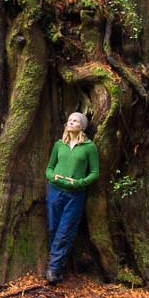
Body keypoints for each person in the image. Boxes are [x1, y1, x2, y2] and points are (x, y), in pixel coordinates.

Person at [44, 110, 99, 284]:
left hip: (75, 194)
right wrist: (52, 177)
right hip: (54, 190)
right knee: (53, 228)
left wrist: (78, 183)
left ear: (82, 126)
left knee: (65, 231)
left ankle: (53, 269)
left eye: (75, 120)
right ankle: (56, 266)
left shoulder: (89, 147)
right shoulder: (59, 145)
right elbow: (49, 168)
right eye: (69, 120)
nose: (71, 122)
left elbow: (94, 172)